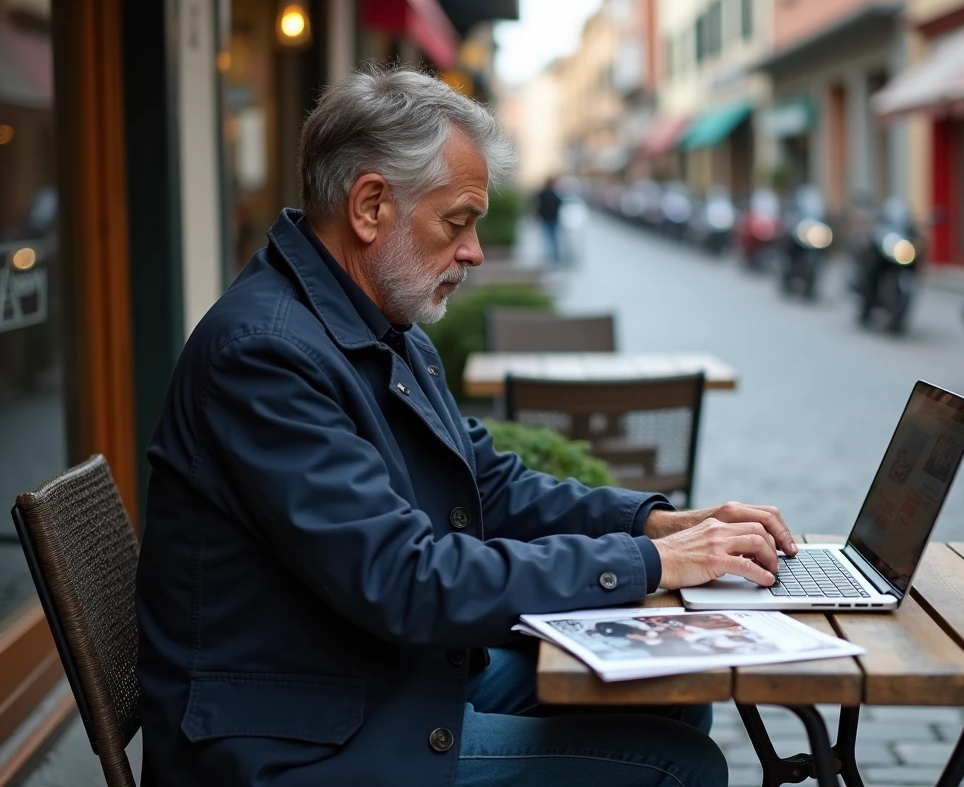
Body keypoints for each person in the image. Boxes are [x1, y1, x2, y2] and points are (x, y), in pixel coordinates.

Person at [135, 64, 798, 787]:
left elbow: (486, 484)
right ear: (370, 207)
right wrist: (652, 568)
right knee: (679, 765)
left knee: (673, 700)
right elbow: (405, 579)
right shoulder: (265, 355)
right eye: (458, 221)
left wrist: (653, 526)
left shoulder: (377, 325)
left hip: (362, 681)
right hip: (290, 741)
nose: (475, 251)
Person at [535, 175, 563, 264]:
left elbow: (538, 204)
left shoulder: (544, 194)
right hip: (551, 219)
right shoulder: (554, 194)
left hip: (547, 218)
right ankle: (554, 255)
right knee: (553, 237)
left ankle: (551, 255)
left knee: (548, 237)